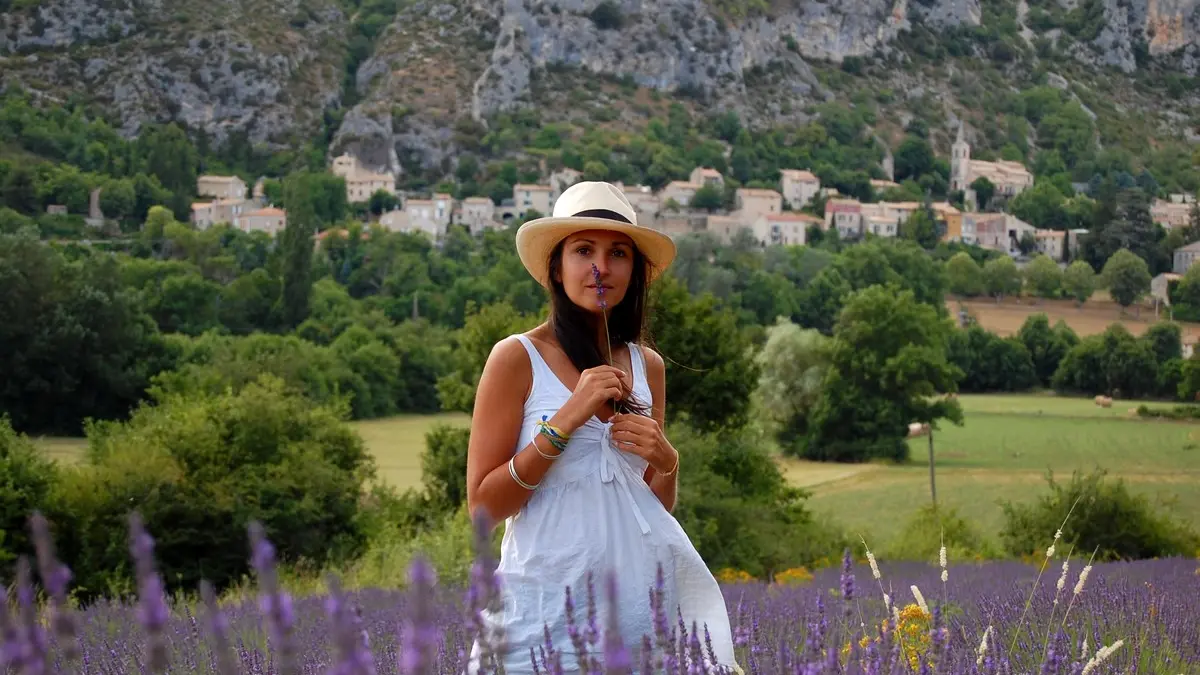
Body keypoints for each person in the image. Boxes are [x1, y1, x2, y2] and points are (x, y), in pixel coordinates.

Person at [464, 182, 740, 674]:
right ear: (556, 266)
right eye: (583, 250)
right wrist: (566, 420)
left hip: (637, 618)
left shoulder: (647, 365)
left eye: (618, 253)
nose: (601, 267)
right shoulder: (516, 359)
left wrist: (667, 461)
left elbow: (648, 506)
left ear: (634, 272)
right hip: (542, 618)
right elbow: (483, 508)